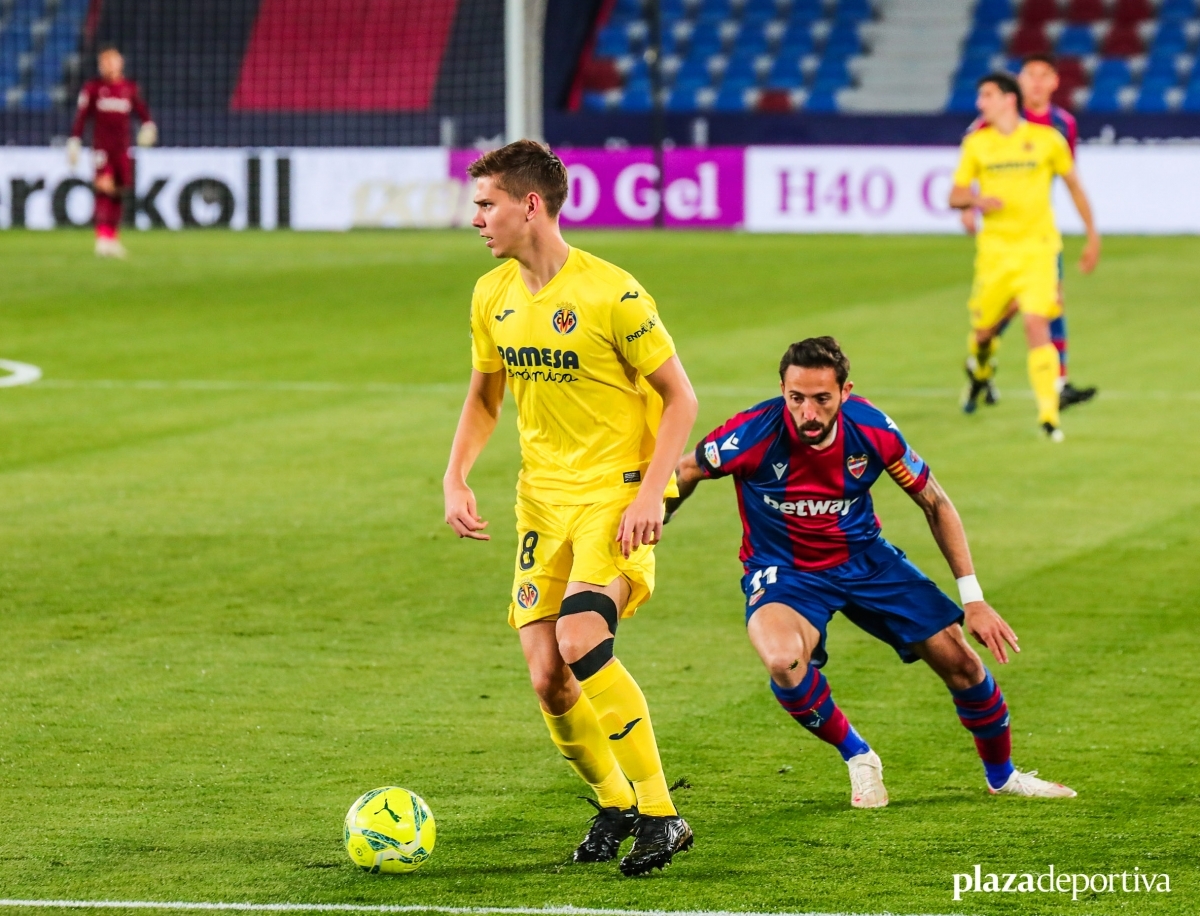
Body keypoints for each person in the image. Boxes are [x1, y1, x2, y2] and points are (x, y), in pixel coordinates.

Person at [666, 337, 1075, 805]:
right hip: (787, 572)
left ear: (844, 392)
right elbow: (687, 470)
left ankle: (1003, 776)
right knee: (782, 660)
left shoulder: (872, 430)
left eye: (822, 399)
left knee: (961, 664)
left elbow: (934, 502)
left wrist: (974, 598)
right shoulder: (752, 433)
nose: (808, 412)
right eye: (796, 398)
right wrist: (657, 516)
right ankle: (858, 756)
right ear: (782, 390)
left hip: (866, 560)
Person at [443, 140, 698, 875]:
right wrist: (456, 475)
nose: (477, 219)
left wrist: (653, 492)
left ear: (531, 205)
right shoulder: (491, 295)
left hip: (614, 494)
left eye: (487, 203)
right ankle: (616, 803)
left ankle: (661, 814)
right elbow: (485, 394)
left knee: (583, 639)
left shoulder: (612, 294)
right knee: (546, 675)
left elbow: (681, 398)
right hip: (542, 502)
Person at [949, 72, 1099, 440]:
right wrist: (975, 201)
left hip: (1039, 249)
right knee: (984, 333)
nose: (980, 103)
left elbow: (1075, 187)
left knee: (1037, 323)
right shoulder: (977, 144)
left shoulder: (1047, 139)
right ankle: (980, 373)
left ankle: (1049, 417)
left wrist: (1092, 234)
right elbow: (954, 196)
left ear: (1007, 99)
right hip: (995, 254)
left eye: (986, 95)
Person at [67, 45, 156, 258]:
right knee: (104, 189)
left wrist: (149, 126)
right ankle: (102, 238)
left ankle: (112, 238)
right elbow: (81, 117)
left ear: (120, 63)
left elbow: (142, 113)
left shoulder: (129, 89)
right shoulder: (93, 89)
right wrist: (75, 141)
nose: (108, 65)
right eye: (104, 62)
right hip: (102, 149)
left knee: (118, 192)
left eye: (112, 60)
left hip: (122, 149)